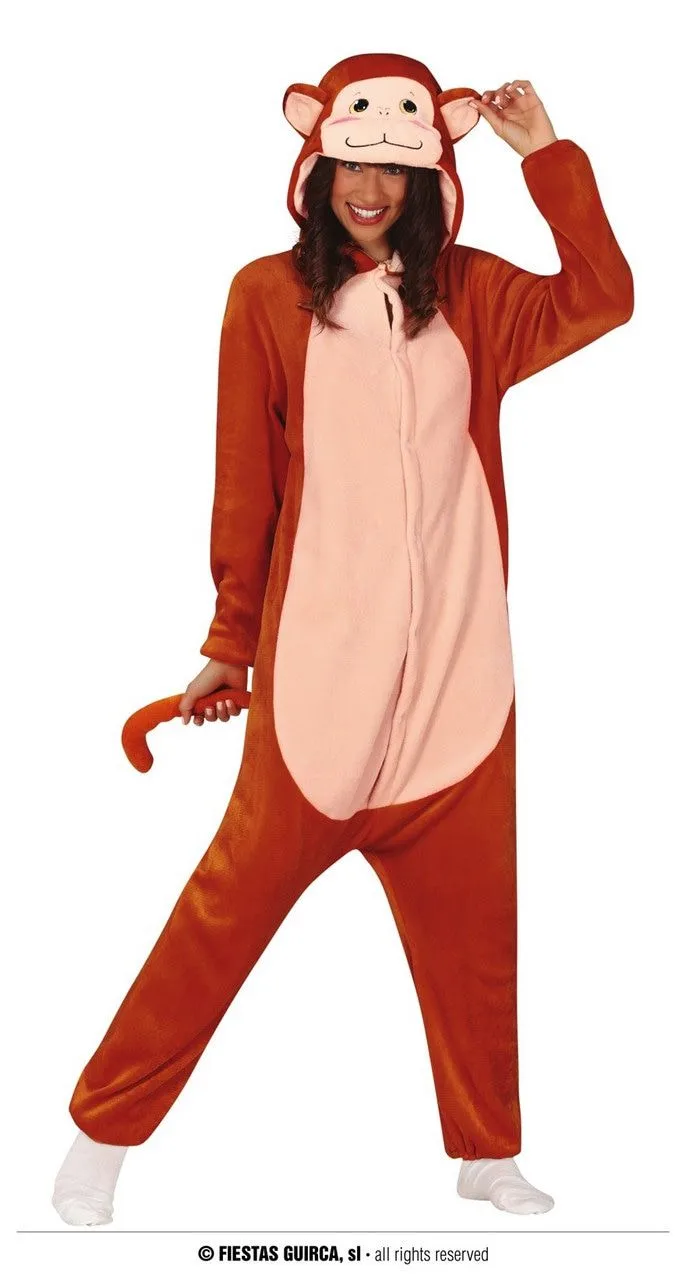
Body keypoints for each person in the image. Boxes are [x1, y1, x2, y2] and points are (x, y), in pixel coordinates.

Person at [52, 52, 633, 1227]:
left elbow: (601, 297)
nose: (368, 187)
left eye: (392, 167)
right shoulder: (265, 296)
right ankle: (101, 1135)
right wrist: (231, 639)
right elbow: (244, 476)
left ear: (429, 178)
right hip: (319, 691)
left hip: (458, 693)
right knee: (218, 920)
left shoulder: (473, 293)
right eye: (350, 164)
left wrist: (545, 158)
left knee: (476, 940)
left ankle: (486, 1152)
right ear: (315, 170)